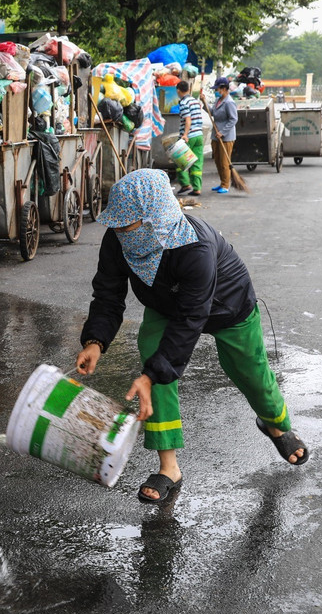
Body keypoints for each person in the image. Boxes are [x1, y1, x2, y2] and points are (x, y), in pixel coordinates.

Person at [74, 169, 309, 504]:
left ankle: (276, 424)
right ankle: (169, 466)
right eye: (117, 225)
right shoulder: (118, 239)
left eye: (127, 225)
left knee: (252, 374)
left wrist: (153, 371)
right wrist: (95, 341)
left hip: (226, 307)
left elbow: (191, 318)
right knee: (154, 371)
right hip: (166, 306)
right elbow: (108, 294)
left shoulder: (194, 249)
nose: (120, 233)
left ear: (155, 220)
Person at [207, 77, 238, 194]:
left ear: (224, 89)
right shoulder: (218, 100)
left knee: (225, 161)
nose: (217, 91)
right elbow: (213, 113)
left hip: (226, 137)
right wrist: (204, 103)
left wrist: (223, 132)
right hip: (216, 135)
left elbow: (233, 119)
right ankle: (221, 182)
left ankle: (226, 185)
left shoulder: (229, 102)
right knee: (218, 160)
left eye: (218, 89)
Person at [174, 80, 204, 197]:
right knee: (197, 162)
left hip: (189, 136)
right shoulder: (195, 101)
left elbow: (188, 119)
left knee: (179, 159)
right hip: (199, 135)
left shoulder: (184, 102)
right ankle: (197, 188)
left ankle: (185, 184)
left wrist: (185, 135)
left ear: (178, 90)